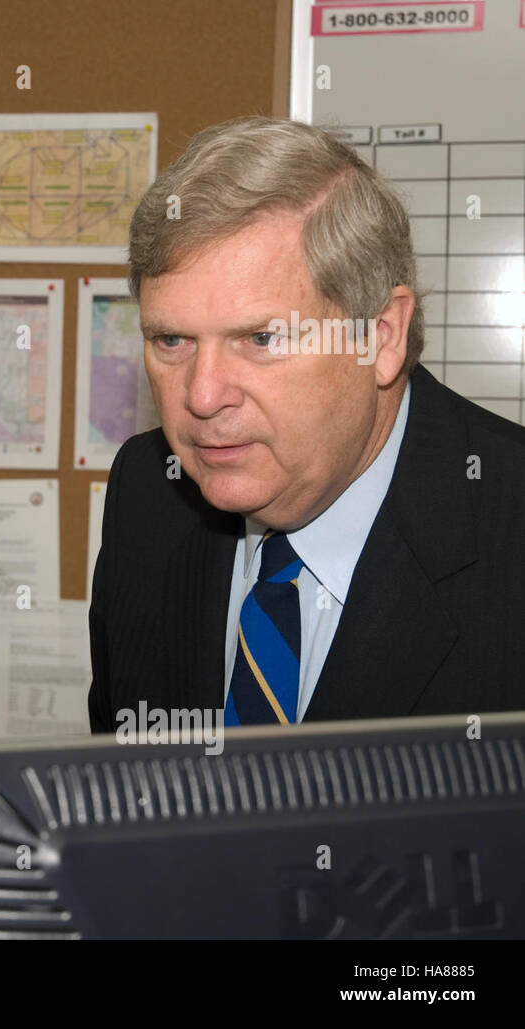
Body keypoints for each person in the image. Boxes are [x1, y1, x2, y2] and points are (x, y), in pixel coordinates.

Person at [88, 116, 525, 733]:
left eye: (261, 338)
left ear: (381, 336)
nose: (203, 396)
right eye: (171, 339)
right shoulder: (147, 491)